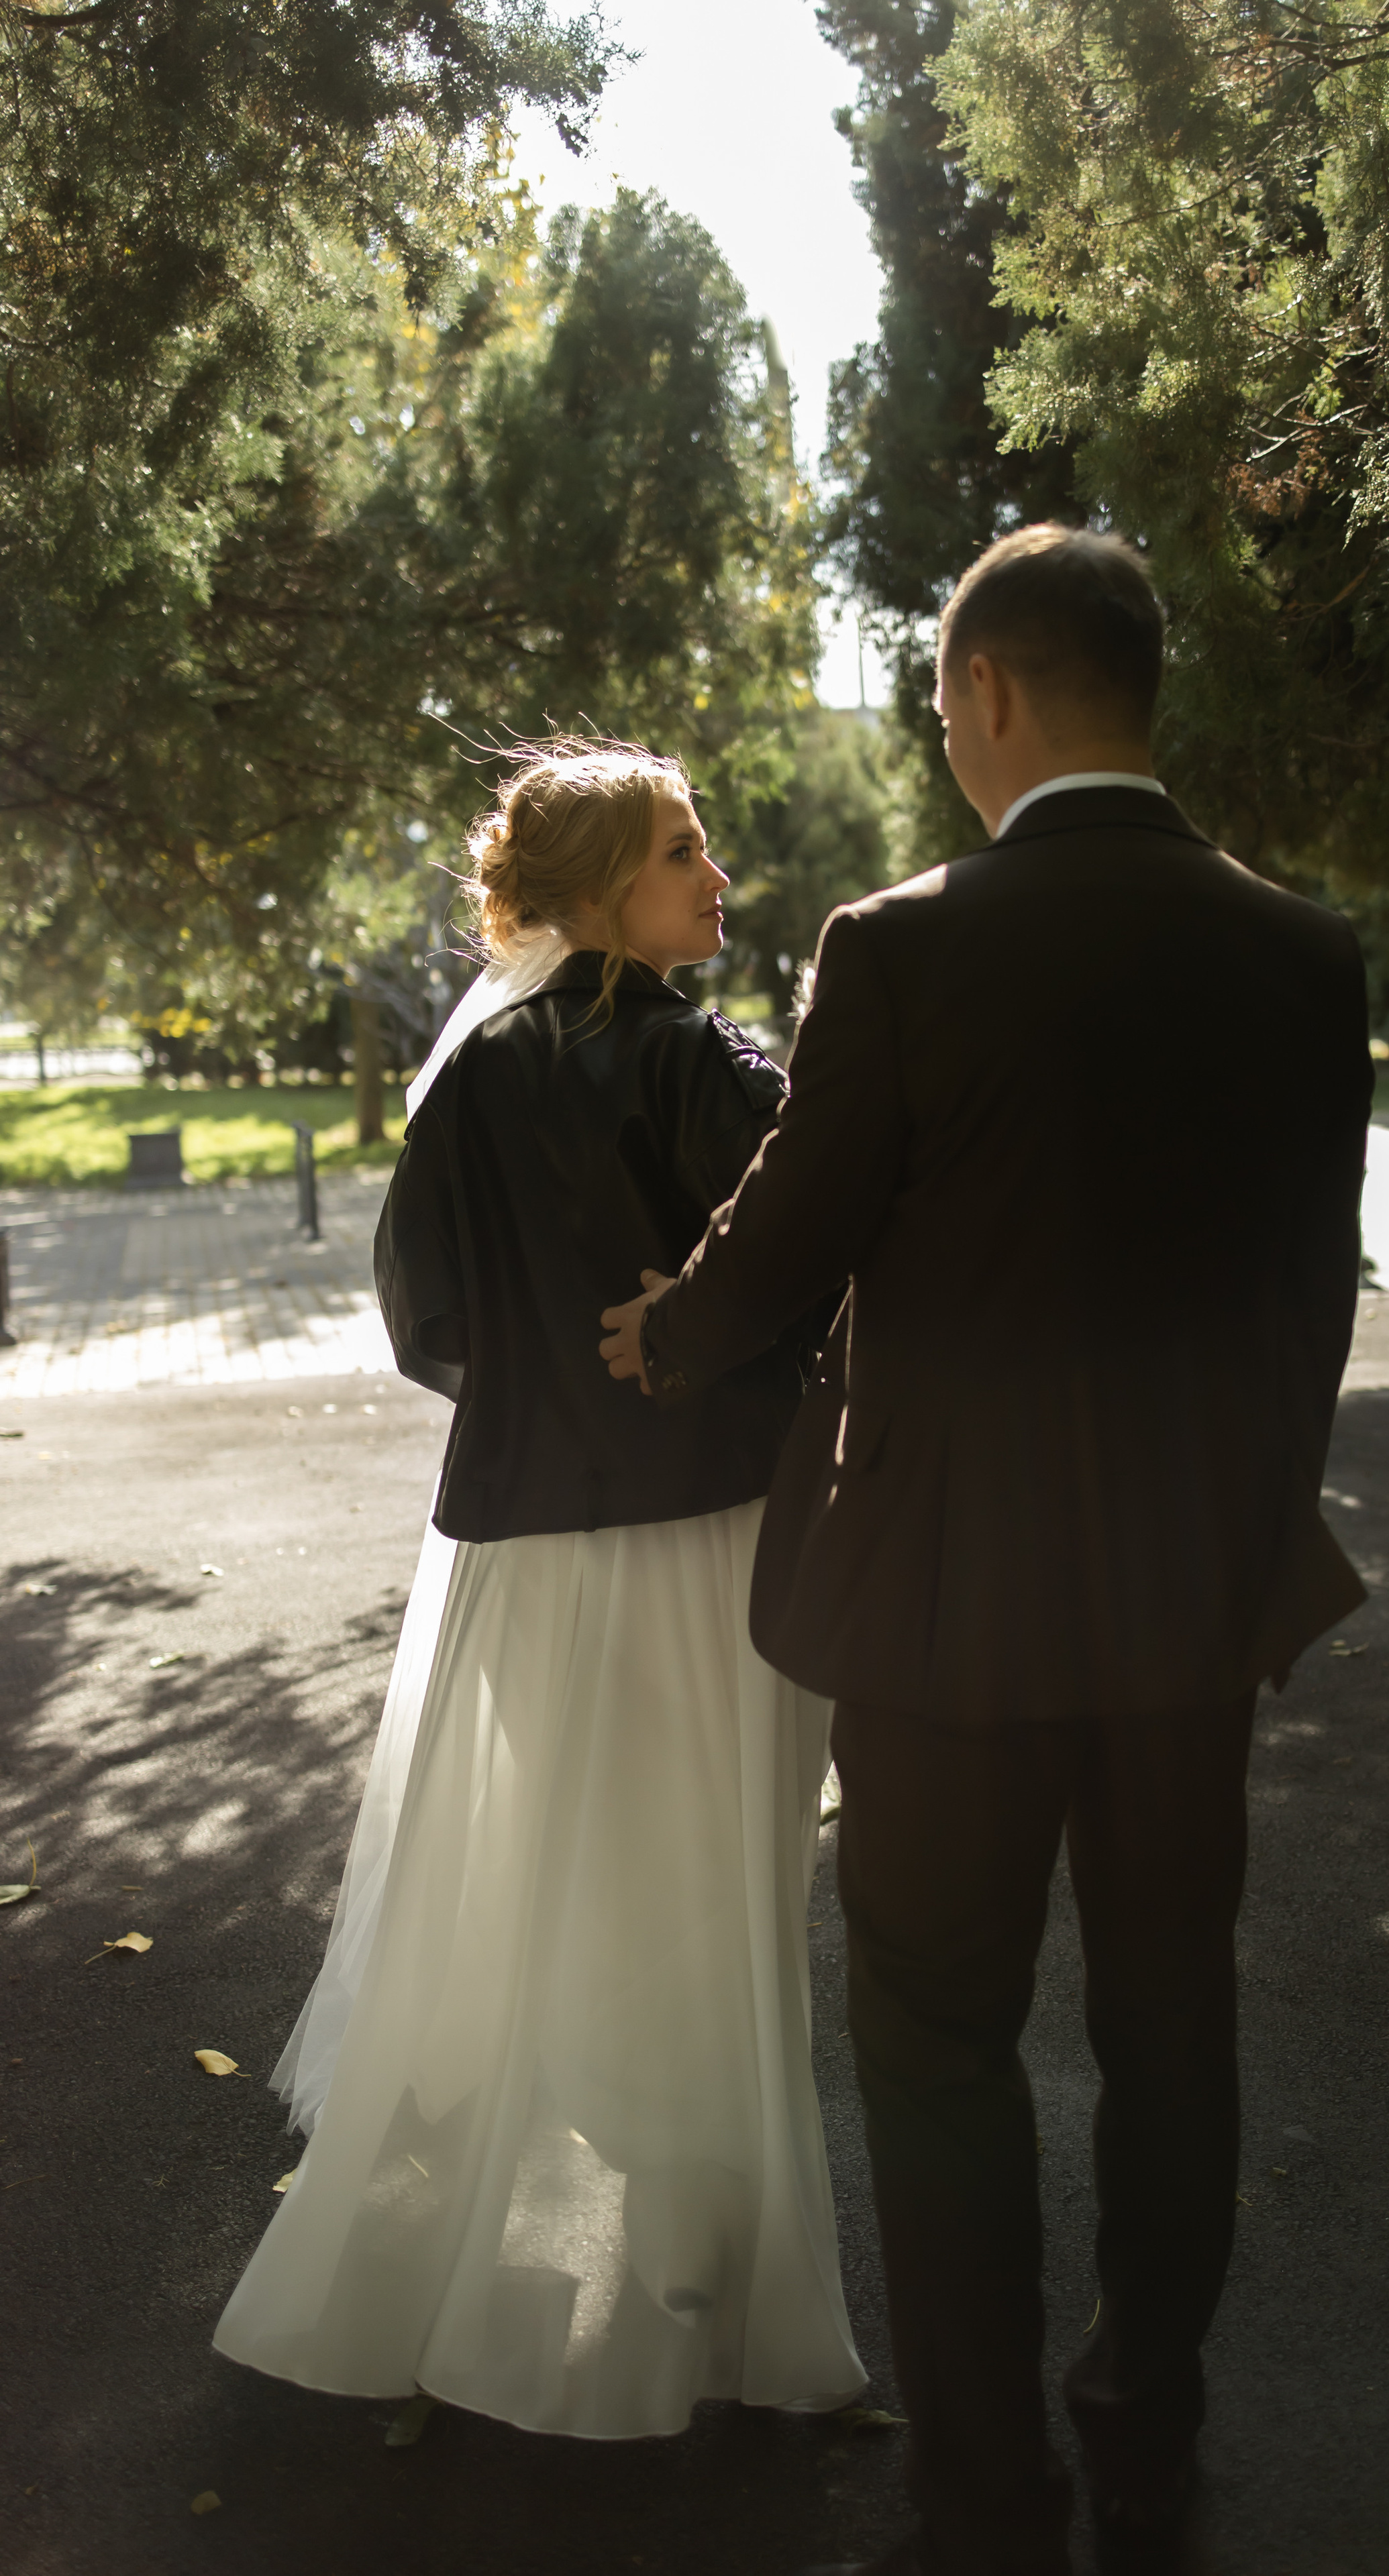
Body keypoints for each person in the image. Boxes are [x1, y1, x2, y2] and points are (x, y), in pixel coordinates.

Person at [599, 528, 1374, 2572]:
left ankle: (981, 2487)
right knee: (1171, 2017)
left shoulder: (905, 942)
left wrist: (664, 1330)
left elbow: (787, 1243)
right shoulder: (1306, 956)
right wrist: (1239, 1533)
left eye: (947, 704)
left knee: (936, 2037)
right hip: (1187, 1609)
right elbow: (1318, 1301)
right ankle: (1143, 2429)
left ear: (994, 697)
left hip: (945, 1618)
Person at [214, 740, 864, 2439]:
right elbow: (814, 1278)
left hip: (522, 1556)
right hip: (707, 1536)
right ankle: (691, 2263)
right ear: (591, 896)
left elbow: (425, 1323)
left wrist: (545, 1401)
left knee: (559, 1886)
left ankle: (539, 2223)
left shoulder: (470, 1075)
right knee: (707, 1891)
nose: (715, 877)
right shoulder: (707, 1070)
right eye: (680, 851)